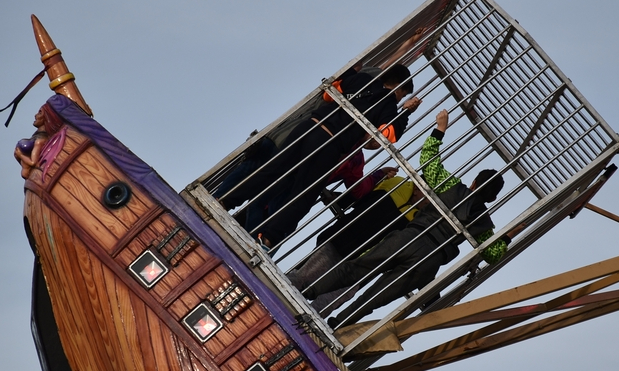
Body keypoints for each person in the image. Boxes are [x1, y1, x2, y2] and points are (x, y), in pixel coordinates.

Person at [304, 109, 516, 327]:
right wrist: (508, 236)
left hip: (410, 236)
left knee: (358, 268)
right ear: (492, 199)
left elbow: (428, 158)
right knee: (377, 297)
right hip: (429, 260)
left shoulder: (451, 185)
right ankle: (337, 324)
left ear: (473, 182)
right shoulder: (484, 223)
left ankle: (310, 289)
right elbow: (493, 254)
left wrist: (440, 129)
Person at [218, 64, 421, 247]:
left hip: (309, 127)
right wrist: (404, 112)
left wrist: (352, 70)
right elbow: (386, 136)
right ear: (399, 88)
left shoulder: (362, 80)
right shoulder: (387, 104)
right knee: (305, 193)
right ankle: (268, 239)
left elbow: (328, 95)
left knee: (272, 170)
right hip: (330, 143)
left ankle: (226, 201)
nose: (400, 98)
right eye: (402, 94)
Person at [288, 174, 421, 315]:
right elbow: (362, 197)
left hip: (362, 265)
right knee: (303, 277)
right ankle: (274, 293)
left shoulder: (419, 218)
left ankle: (304, 323)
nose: (429, 202)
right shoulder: (395, 184)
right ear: (418, 188)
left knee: (326, 303)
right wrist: (341, 199)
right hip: (341, 242)